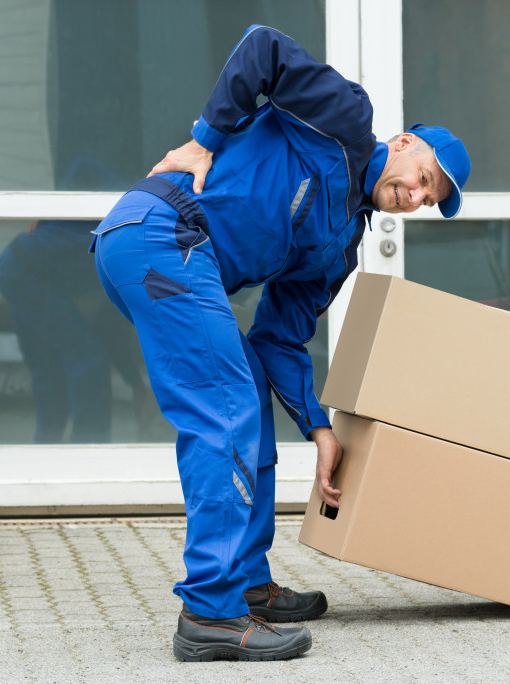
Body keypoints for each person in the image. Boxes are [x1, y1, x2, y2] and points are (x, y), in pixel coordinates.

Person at [91, 24, 470, 662]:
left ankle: (247, 586)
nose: (417, 197)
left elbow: (279, 339)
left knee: (248, 399)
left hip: (181, 257)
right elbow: (262, 48)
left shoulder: (340, 247)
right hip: (159, 234)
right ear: (405, 145)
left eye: (429, 199)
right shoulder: (346, 120)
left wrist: (318, 428)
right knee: (226, 407)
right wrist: (202, 140)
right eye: (424, 177)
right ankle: (210, 612)